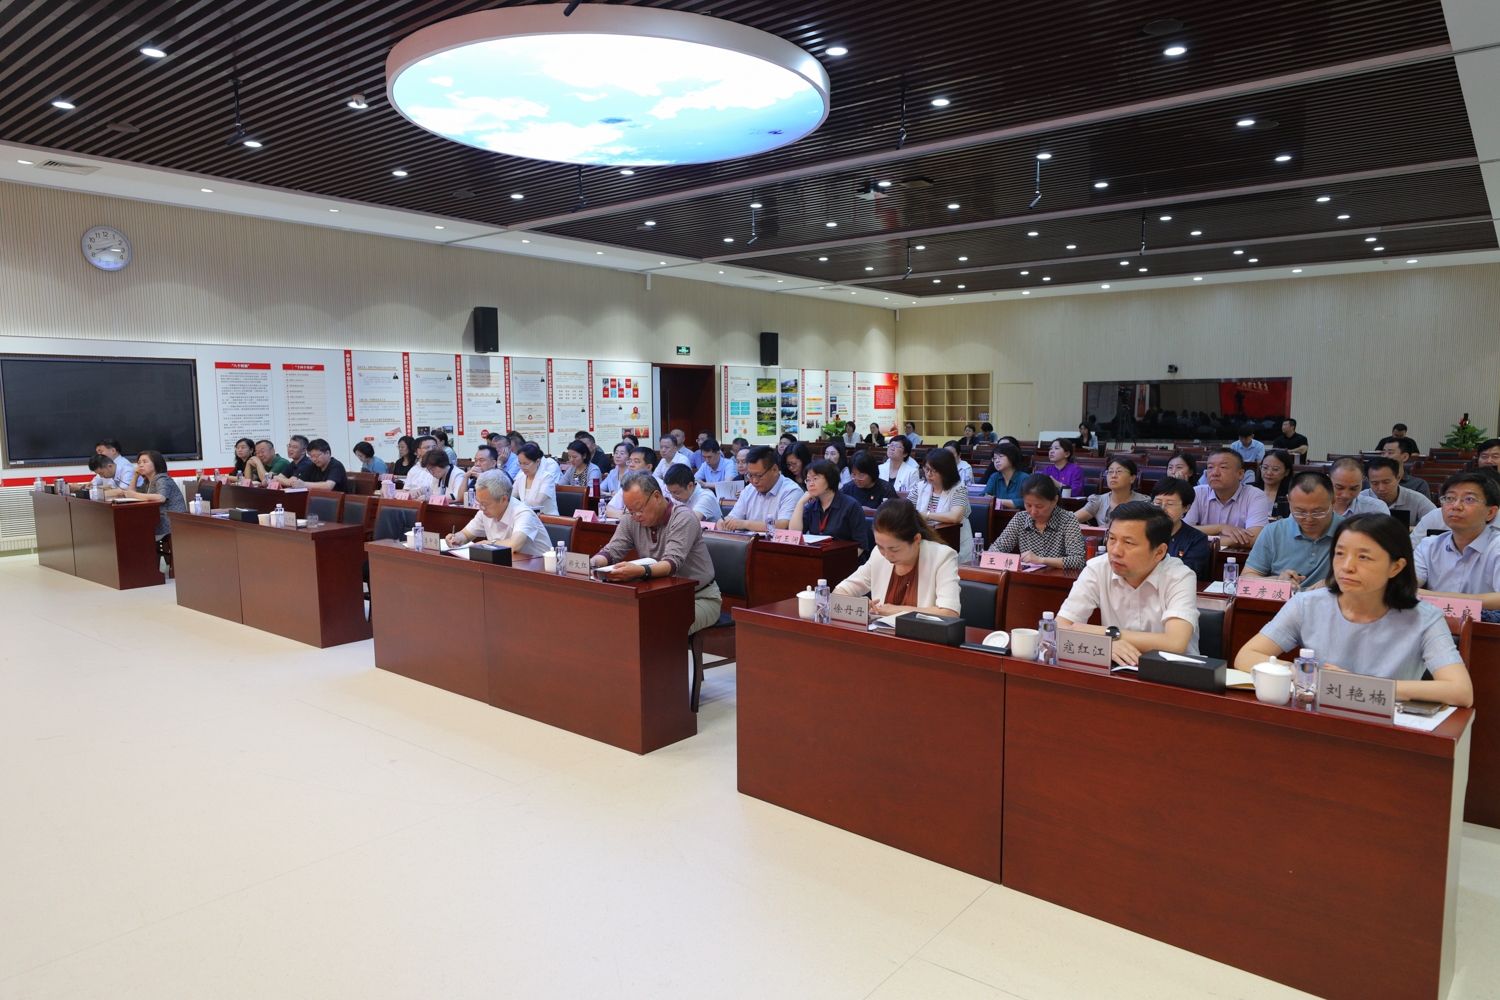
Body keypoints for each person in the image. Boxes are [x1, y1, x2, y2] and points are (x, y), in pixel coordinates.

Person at [1235, 514, 1472, 707]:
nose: (1346, 567)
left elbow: (1460, 691)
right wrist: (1312, 676)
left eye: (1364, 557)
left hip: (1388, 726)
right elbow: (1247, 656)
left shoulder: (1425, 618)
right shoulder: (1307, 604)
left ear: (1396, 567)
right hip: (1320, 717)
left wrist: (1360, 686)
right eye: (1340, 554)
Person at [1057, 501, 1200, 665]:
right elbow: (1060, 627)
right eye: (1112, 539)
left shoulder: (1179, 576)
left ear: (1159, 552)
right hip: (1119, 670)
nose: (1115, 551)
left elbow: (1175, 643)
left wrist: (1105, 634)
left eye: (1128, 543)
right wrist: (1105, 644)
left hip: (1174, 671)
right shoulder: (1097, 569)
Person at [590, 471, 723, 634]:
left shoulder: (683, 518)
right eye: (629, 510)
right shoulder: (631, 519)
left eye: (638, 509)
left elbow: (671, 564)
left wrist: (640, 571)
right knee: (616, 620)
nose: (635, 516)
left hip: (699, 597)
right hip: (659, 597)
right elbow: (611, 551)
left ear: (657, 497)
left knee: (659, 627)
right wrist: (592, 563)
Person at [833, 499, 961, 617]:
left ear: (916, 539)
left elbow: (949, 613)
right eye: (880, 546)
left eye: (894, 550)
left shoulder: (942, 557)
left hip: (922, 633)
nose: (886, 555)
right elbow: (840, 591)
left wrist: (897, 610)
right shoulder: (878, 555)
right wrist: (857, 604)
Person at [1415, 472, 1500, 618]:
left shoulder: (1496, 547)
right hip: (1433, 625)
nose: (1456, 506)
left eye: (1469, 499)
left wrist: (1434, 597)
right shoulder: (1429, 546)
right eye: (1450, 498)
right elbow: (1406, 586)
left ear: (1490, 512)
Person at [1242, 472, 1340, 590]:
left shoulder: (1349, 533)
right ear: (1289, 501)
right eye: (1300, 511)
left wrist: (1335, 583)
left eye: (1318, 512)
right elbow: (1247, 579)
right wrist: (1277, 580)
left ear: (1333, 503)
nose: (1309, 519)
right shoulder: (1273, 532)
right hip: (1285, 600)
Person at [987, 474, 1087, 569]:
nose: (1033, 511)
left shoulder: (1067, 519)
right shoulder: (1020, 519)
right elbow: (996, 549)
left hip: (1058, 578)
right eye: (1028, 505)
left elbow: (1078, 560)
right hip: (1026, 578)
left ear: (1054, 500)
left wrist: (1041, 560)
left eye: (1039, 506)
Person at [444, 469, 551, 557]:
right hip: (507, 565)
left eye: (485, 504)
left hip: (538, 569)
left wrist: (488, 543)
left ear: (503, 499)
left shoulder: (523, 513)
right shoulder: (484, 512)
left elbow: (514, 545)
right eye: (478, 502)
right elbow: (466, 534)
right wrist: (457, 538)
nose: (481, 508)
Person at [1181, 448, 1270, 547]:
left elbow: (1254, 538)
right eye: (1210, 467)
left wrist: (1200, 541)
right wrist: (1220, 527)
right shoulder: (1197, 493)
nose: (1215, 473)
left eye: (1223, 467)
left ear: (1240, 474)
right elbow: (1182, 532)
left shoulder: (1255, 496)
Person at [790, 459, 871, 552]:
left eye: (815, 479)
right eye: (808, 480)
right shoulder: (812, 506)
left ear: (830, 479)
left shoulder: (851, 506)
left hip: (846, 558)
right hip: (819, 557)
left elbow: (861, 545)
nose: (810, 484)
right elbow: (794, 536)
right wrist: (800, 503)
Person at [721, 445, 802, 532]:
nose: (754, 481)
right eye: (750, 475)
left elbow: (783, 525)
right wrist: (725, 522)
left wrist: (745, 524)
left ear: (774, 470)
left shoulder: (791, 491)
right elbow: (734, 516)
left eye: (759, 476)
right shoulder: (748, 490)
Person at [913, 448, 972, 562]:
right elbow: (907, 510)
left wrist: (925, 515)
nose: (928, 474)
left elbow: (955, 517)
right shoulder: (919, 487)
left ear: (946, 471)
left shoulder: (959, 489)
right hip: (925, 539)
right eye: (926, 469)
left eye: (933, 471)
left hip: (953, 542)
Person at [1152, 477, 1212, 582]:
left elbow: (1183, 575)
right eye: (1158, 503)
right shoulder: (1142, 533)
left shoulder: (1197, 539)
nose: (1162, 509)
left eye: (1170, 504)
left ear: (1186, 507)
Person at [119, 450, 186, 540]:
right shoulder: (147, 481)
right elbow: (131, 493)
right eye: (139, 463)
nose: (141, 465)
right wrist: (135, 476)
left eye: (145, 462)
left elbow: (160, 498)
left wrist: (134, 494)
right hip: (156, 518)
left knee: (133, 533)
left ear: (156, 463)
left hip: (170, 521)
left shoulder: (162, 478)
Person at [1361, 456, 1435, 526]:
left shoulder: (1418, 500)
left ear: (1398, 478)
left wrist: (1410, 529)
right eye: (1375, 483)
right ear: (1368, 481)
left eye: (1386, 482)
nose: (1381, 488)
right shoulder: (1360, 499)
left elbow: (1437, 524)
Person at [1077, 457, 1148, 528]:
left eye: (1119, 471)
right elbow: (1071, 521)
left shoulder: (1142, 502)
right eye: (1110, 472)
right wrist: (1094, 529)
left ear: (1132, 478)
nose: (1113, 476)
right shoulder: (1098, 501)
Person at [514, 442, 559, 515]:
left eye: (526, 464)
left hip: (547, 517)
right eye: (520, 463)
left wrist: (516, 504)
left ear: (537, 462)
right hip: (527, 516)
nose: (522, 467)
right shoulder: (521, 476)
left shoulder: (547, 477)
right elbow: (510, 496)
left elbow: (538, 502)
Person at [982, 442, 1028, 510]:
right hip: (996, 514)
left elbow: (1026, 501)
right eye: (994, 458)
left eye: (1000, 457)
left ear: (1012, 458)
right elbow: (983, 496)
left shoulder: (1025, 478)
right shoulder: (994, 477)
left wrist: (999, 501)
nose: (997, 461)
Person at [1255, 450, 1295, 520]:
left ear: (1286, 472)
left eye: (1275, 469)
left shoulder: (1292, 494)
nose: (1268, 473)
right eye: (1265, 468)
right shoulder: (1249, 489)